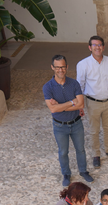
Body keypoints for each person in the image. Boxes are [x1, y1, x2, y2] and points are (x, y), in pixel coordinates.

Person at [43, 55, 91, 187]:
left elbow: (81, 105)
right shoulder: (47, 87)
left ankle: (83, 171)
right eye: (57, 67)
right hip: (59, 126)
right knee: (63, 151)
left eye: (63, 67)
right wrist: (71, 102)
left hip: (76, 123)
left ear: (67, 67)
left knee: (80, 149)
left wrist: (60, 106)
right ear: (52, 67)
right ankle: (66, 174)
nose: (60, 70)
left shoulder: (74, 83)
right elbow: (52, 109)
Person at [76, 36, 108, 169]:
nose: (97, 47)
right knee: (94, 130)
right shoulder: (83, 64)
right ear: (90, 47)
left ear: (103, 47)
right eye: (94, 45)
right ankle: (96, 154)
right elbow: (80, 85)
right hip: (92, 103)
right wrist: (80, 104)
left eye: (100, 45)